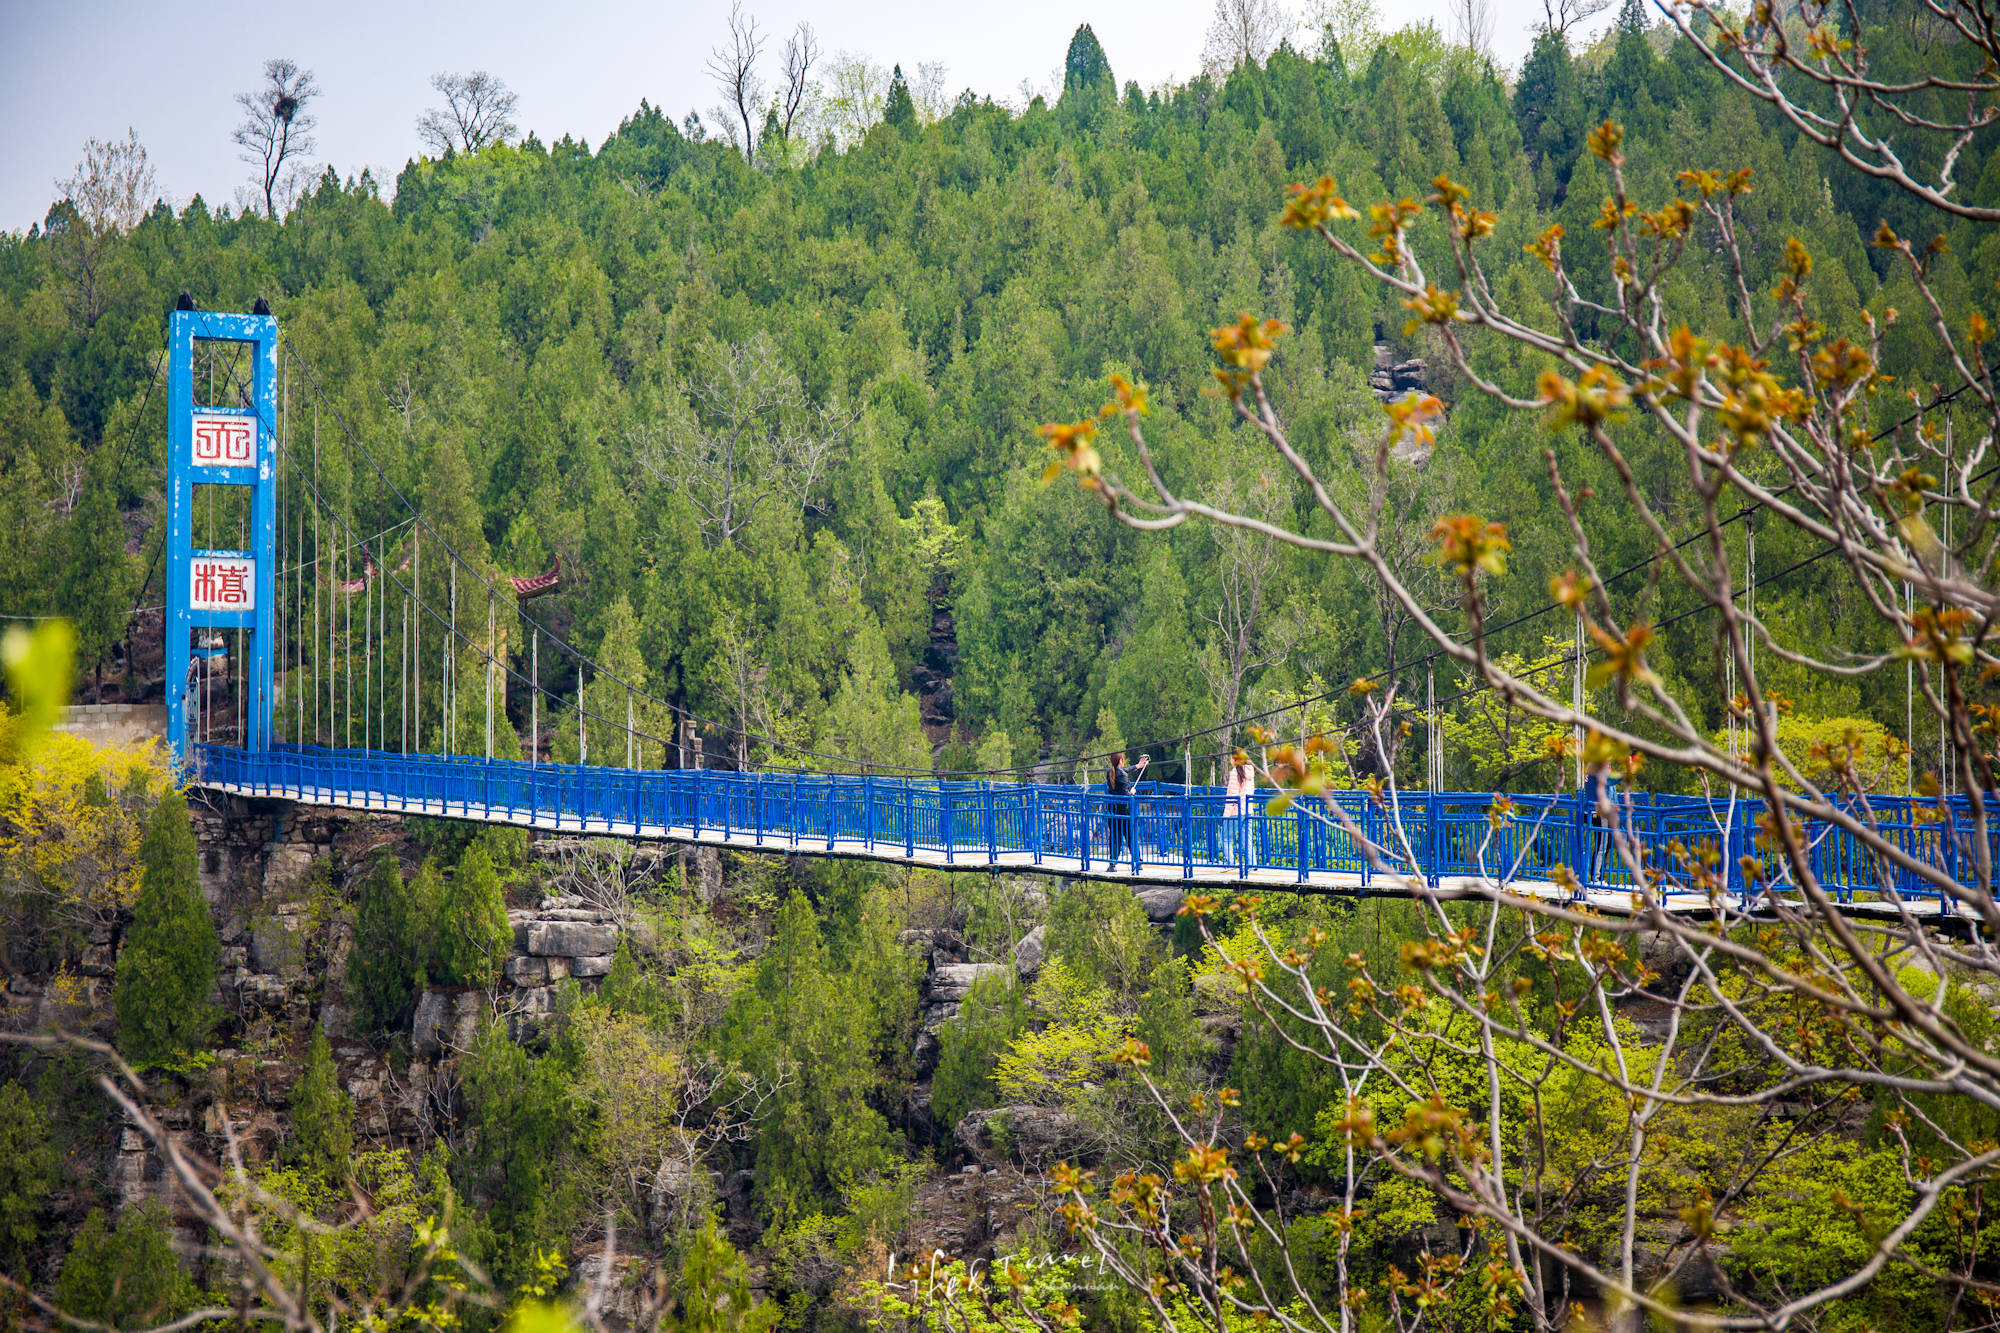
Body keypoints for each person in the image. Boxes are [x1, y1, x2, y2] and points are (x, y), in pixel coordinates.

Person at [1105, 751, 1148, 869]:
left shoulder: (1109, 772)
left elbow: (1123, 771)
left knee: (1115, 838)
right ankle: (1137, 863)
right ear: (1121, 761)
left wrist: (1137, 766)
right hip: (1124, 812)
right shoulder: (1122, 775)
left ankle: (1112, 865)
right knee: (1130, 836)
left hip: (1112, 811)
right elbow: (1126, 796)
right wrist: (1132, 792)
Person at [1224, 752, 1256, 868]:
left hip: (1235, 812)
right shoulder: (1250, 772)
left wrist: (1226, 814)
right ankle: (1252, 864)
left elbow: (1232, 795)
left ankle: (1230, 864)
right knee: (1247, 839)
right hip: (1248, 810)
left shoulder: (1235, 773)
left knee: (1226, 838)